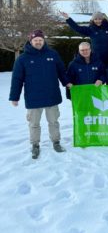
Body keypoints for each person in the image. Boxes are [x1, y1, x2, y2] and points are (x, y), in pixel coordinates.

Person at [9, 30, 69, 159]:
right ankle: (35, 145)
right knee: (34, 123)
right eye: (35, 40)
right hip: (33, 97)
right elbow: (17, 78)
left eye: (40, 40)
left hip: (51, 95)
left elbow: (61, 71)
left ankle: (56, 142)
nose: (38, 42)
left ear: (43, 41)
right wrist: (14, 96)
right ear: (31, 41)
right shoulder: (23, 58)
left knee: (53, 121)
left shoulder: (53, 54)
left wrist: (67, 83)